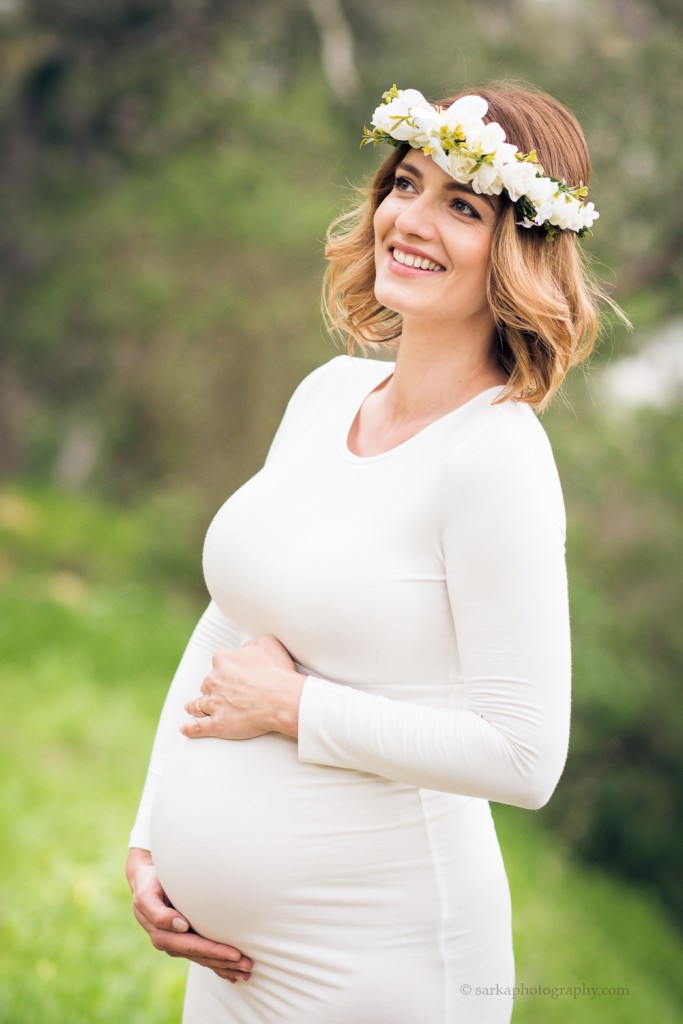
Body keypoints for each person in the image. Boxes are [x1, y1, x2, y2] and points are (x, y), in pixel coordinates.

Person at [126, 82, 611, 1023]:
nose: (410, 219)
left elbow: (524, 756)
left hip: (379, 971)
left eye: (462, 205)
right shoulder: (326, 392)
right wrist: (153, 837)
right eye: (406, 183)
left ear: (517, 252)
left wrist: (297, 707)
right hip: (226, 971)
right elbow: (231, 622)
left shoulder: (496, 456)